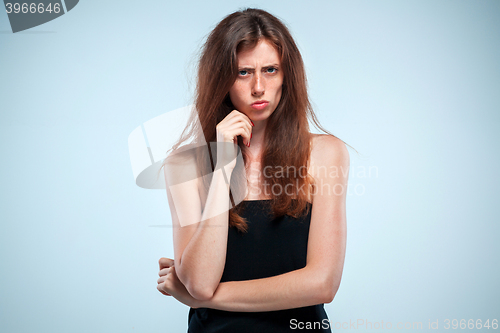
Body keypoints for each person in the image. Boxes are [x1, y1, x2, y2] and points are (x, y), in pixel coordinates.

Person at [156, 8, 352, 332]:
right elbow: (201, 282)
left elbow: (323, 284)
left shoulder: (324, 154)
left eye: (270, 70)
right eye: (243, 72)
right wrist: (222, 167)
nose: (259, 87)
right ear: (221, 78)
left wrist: (203, 299)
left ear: (287, 75)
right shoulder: (183, 165)